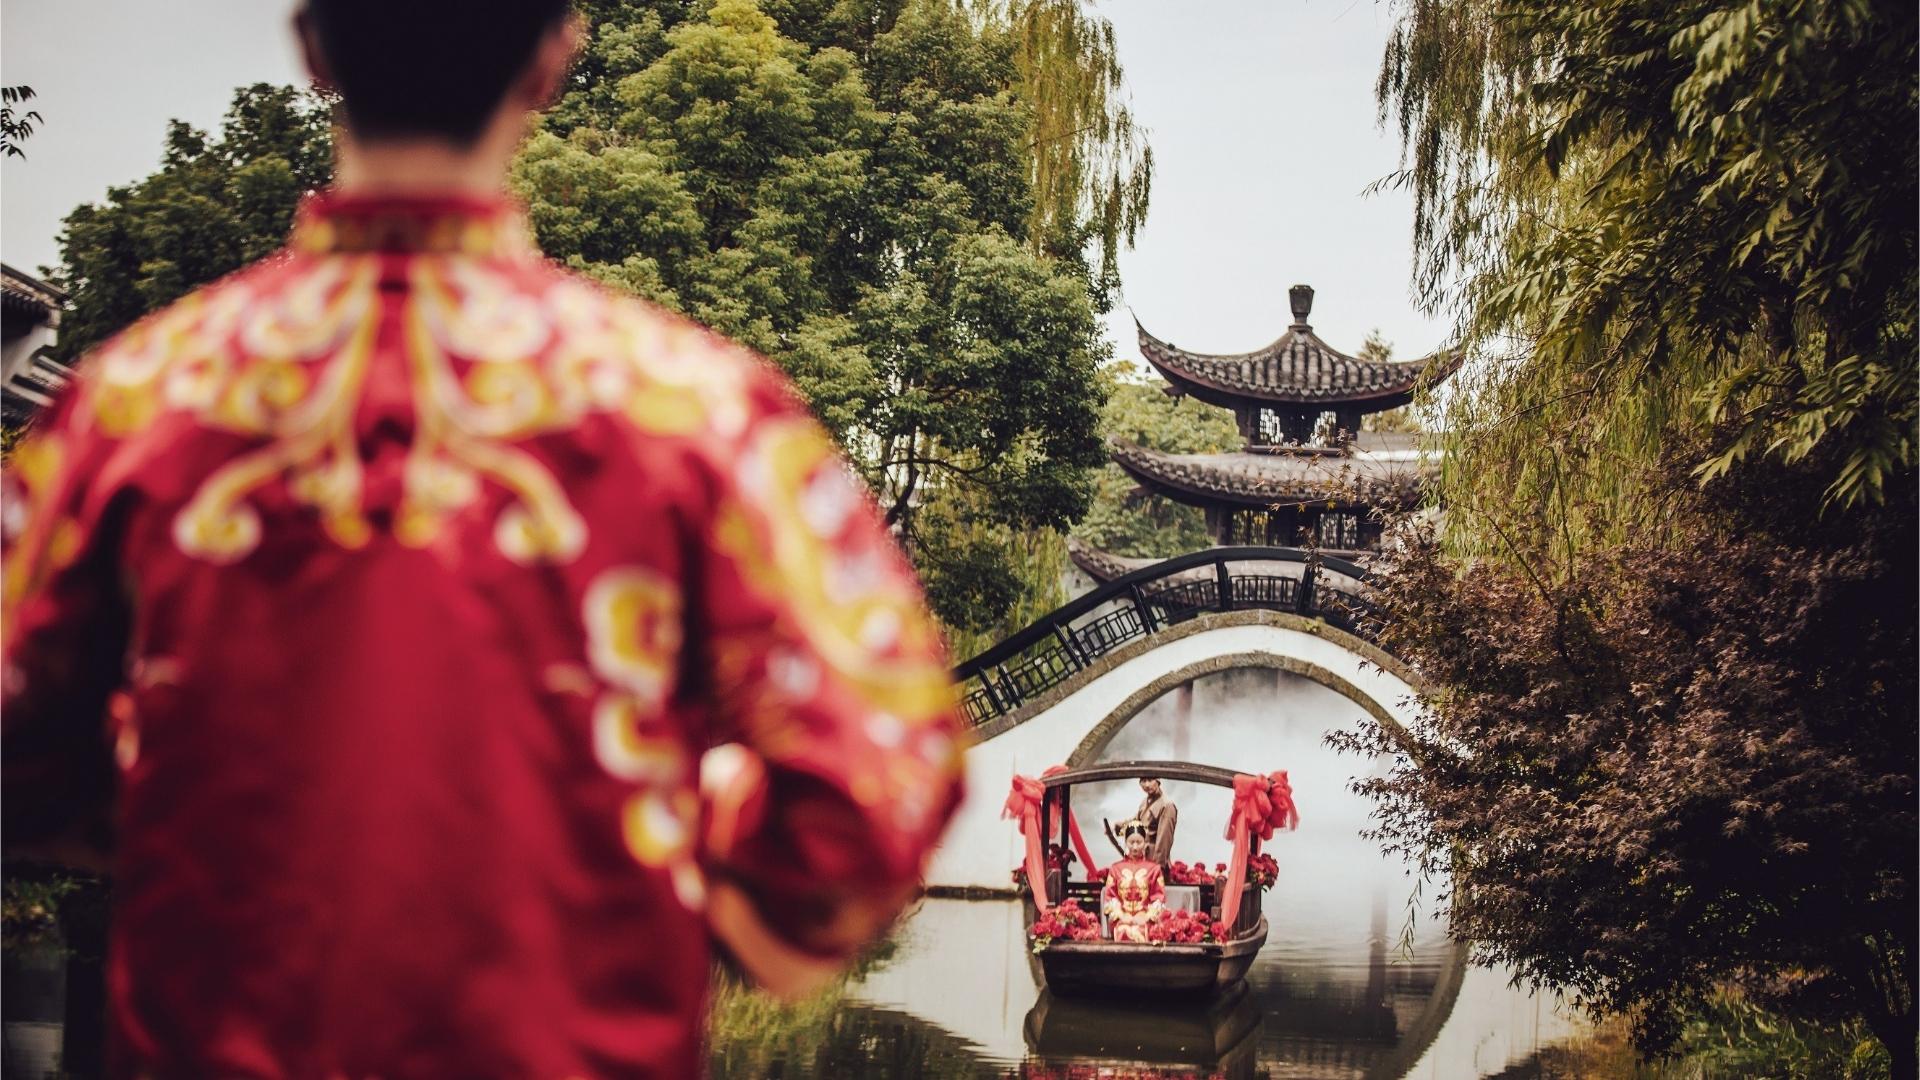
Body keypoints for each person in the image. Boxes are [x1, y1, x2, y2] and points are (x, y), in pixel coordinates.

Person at [0, 2, 966, 1076]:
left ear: (315, 49)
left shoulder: (137, 404)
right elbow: (879, 793)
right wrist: (635, 805)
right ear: (554, 58)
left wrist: (194, 783)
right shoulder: (696, 414)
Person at [1101, 820, 1166, 942]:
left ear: (1145, 842)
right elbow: (1110, 897)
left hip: (1145, 920)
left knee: (1142, 929)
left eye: (1139, 842)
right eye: (1131, 842)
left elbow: (1158, 898)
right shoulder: (1115, 869)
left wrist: (1146, 916)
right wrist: (1121, 915)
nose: (1135, 846)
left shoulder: (1154, 869)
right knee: (1123, 929)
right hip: (1121, 919)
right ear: (1125, 842)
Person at [1136, 775, 1179, 871]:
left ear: (1158, 781)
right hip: (1143, 858)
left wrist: (1157, 868)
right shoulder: (1145, 802)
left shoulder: (1167, 805)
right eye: (1143, 780)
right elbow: (1136, 822)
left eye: (1150, 780)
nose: (1147, 785)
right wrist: (1117, 826)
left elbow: (1164, 841)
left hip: (1155, 861)